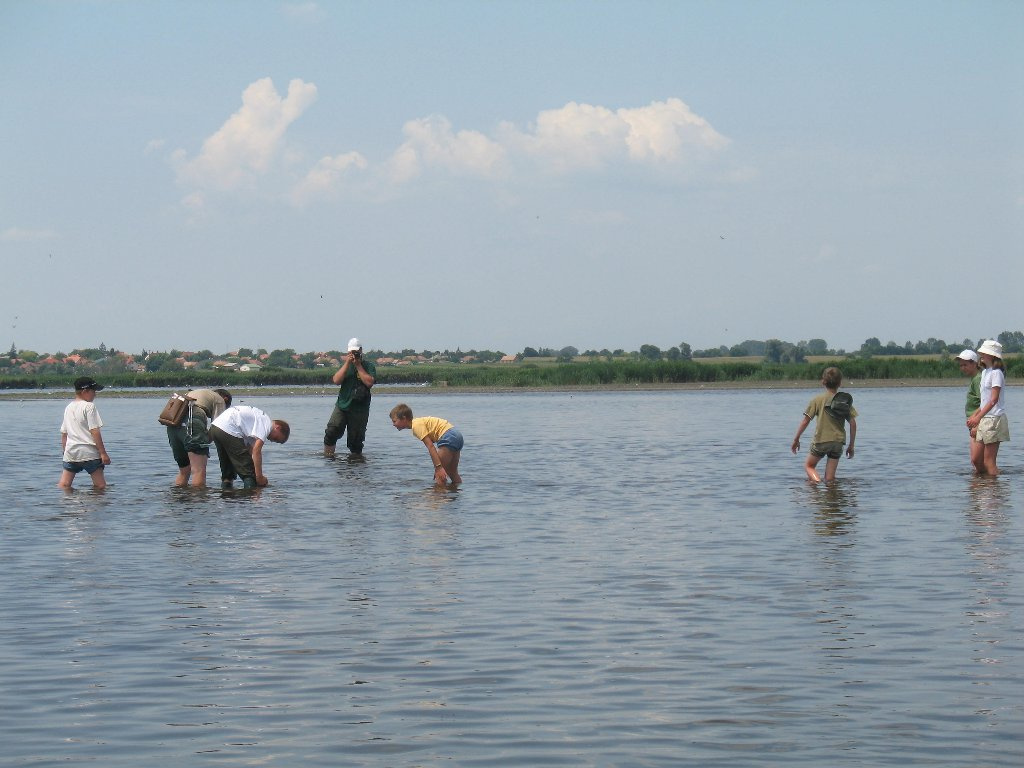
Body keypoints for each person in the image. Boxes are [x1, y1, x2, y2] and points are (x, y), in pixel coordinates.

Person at [791, 366, 858, 483]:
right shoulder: (843, 401)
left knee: (809, 466)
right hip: (838, 442)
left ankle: (816, 484)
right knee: (830, 478)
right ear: (840, 383)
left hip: (821, 440)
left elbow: (805, 421)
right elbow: (853, 423)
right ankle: (831, 495)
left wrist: (796, 439)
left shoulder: (817, 400)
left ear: (823, 382)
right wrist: (851, 445)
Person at [210, 404, 290, 488]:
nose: (272, 440)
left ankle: (227, 497)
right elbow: (256, 451)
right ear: (278, 427)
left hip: (216, 427)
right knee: (250, 474)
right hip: (229, 428)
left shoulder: (256, 425)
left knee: (228, 473)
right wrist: (259, 477)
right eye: (276, 438)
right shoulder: (266, 425)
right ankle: (251, 498)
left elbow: (250, 450)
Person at [167, 388, 232, 487]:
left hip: (173, 422)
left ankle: (179, 498)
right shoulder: (220, 400)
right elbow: (217, 427)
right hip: (193, 418)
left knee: (184, 471)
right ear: (225, 399)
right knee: (198, 470)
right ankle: (199, 501)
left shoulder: (199, 393)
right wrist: (206, 441)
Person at [323, 337, 377, 457]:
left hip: (360, 409)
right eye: (351, 352)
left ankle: (356, 463)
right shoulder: (345, 366)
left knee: (356, 442)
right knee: (331, 431)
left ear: (361, 351)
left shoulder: (368, 366)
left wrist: (358, 365)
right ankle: (328, 457)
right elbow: (336, 380)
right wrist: (348, 363)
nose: (353, 354)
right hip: (342, 405)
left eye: (356, 352)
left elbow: (369, 382)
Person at [389, 403, 464, 485]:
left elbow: (430, 446)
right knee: (452, 472)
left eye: (394, 421)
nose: (393, 424)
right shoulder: (419, 422)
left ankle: (439, 496)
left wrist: (438, 467)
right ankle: (456, 494)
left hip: (448, 436)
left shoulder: (416, 426)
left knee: (439, 475)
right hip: (456, 435)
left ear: (404, 418)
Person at [58, 376, 111, 489]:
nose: (95, 394)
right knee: (100, 486)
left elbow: (64, 433)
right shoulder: (89, 406)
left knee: (64, 485)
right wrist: (103, 453)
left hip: (71, 452)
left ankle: (66, 504)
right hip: (89, 453)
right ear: (85, 391)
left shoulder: (69, 407)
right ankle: (96, 505)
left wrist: (65, 451)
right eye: (93, 391)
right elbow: (94, 431)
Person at [967, 339, 1009, 476]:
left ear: (992, 356)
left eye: (984, 353)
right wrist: (975, 415)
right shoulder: (985, 372)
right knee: (976, 460)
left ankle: (994, 493)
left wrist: (978, 417)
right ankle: (985, 489)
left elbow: (993, 400)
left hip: (994, 419)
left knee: (989, 462)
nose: (981, 355)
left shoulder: (996, 373)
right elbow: (984, 401)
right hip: (985, 418)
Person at [956, 349, 983, 470]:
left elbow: (985, 403)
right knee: (976, 462)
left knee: (977, 460)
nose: (962, 368)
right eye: (961, 365)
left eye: (965, 365)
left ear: (974, 363)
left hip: (979, 423)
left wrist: (977, 424)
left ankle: (987, 484)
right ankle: (981, 485)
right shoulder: (974, 378)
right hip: (974, 423)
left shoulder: (978, 379)